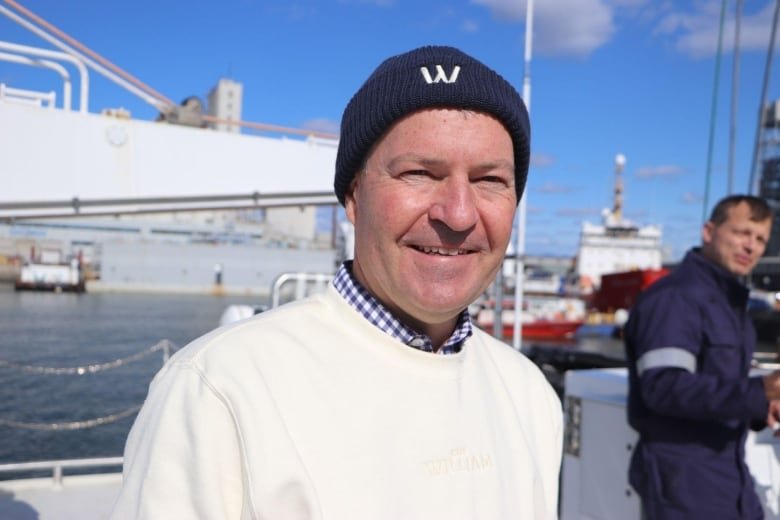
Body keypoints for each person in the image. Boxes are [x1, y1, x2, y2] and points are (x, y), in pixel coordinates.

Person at [110, 46, 562, 519]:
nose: (459, 214)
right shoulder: (218, 391)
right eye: (419, 174)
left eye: (490, 180)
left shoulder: (529, 395)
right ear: (353, 195)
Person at [624, 194, 780, 519]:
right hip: (683, 479)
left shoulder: (729, 305)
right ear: (709, 232)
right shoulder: (675, 299)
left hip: (728, 473)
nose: (750, 246)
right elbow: (663, 387)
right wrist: (758, 391)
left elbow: (722, 387)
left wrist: (762, 406)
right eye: (741, 233)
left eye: (760, 239)